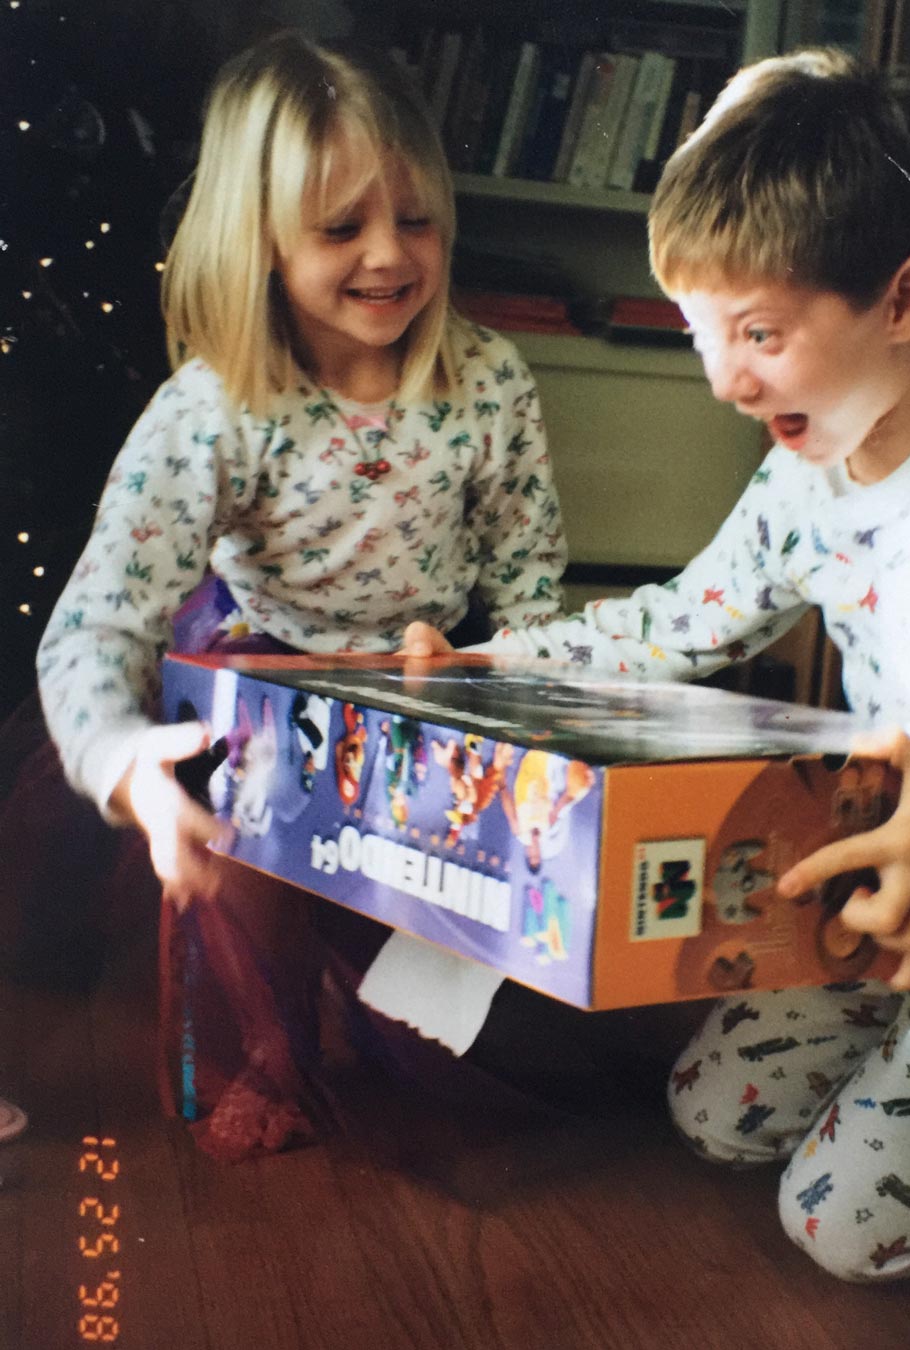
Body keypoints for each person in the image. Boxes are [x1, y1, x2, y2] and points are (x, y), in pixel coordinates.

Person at [404, 47, 910, 1280]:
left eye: (760, 331)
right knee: (714, 1120)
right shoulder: (810, 469)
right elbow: (683, 621)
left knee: (846, 1225)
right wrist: (488, 663)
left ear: (902, 297)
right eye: (700, 332)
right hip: (889, 880)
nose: (723, 379)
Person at [34, 29, 566, 1159]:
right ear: (262, 240)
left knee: (470, 999)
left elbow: (530, 574)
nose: (388, 255)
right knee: (248, 856)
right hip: (265, 686)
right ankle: (275, 1053)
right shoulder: (213, 406)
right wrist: (122, 757)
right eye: (341, 227)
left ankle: (396, 1018)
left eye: (415, 218)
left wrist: (523, 681)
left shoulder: (491, 382)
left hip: (433, 684)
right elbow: (96, 620)